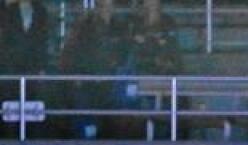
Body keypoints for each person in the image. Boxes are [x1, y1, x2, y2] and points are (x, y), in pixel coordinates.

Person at [59, 0, 124, 138]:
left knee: (107, 118)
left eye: (110, 6)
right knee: (87, 116)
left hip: (109, 80)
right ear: (98, 7)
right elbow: (73, 52)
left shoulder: (119, 27)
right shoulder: (84, 27)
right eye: (104, 6)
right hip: (87, 79)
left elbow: (122, 52)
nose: (107, 10)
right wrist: (77, 75)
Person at [128, 0, 180, 75]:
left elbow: (169, 41)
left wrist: (149, 39)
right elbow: (134, 40)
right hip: (142, 63)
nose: (151, 3)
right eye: (148, 1)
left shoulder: (168, 20)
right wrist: (155, 39)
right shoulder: (136, 21)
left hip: (164, 63)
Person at [1, 0, 50, 75]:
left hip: (33, 67)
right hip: (9, 66)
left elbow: (42, 41)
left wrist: (41, 66)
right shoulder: (8, 10)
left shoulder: (40, 11)